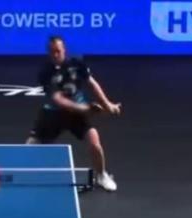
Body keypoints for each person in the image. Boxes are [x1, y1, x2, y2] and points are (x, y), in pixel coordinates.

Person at [26, 35, 122, 192]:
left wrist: (108, 105)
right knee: (30, 146)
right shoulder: (45, 72)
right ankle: (21, 175)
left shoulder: (77, 64)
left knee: (94, 142)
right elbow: (58, 100)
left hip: (76, 116)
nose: (55, 55)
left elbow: (92, 84)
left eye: (58, 51)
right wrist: (85, 109)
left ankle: (101, 175)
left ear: (64, 50)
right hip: (53, 114)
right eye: (52, 52)